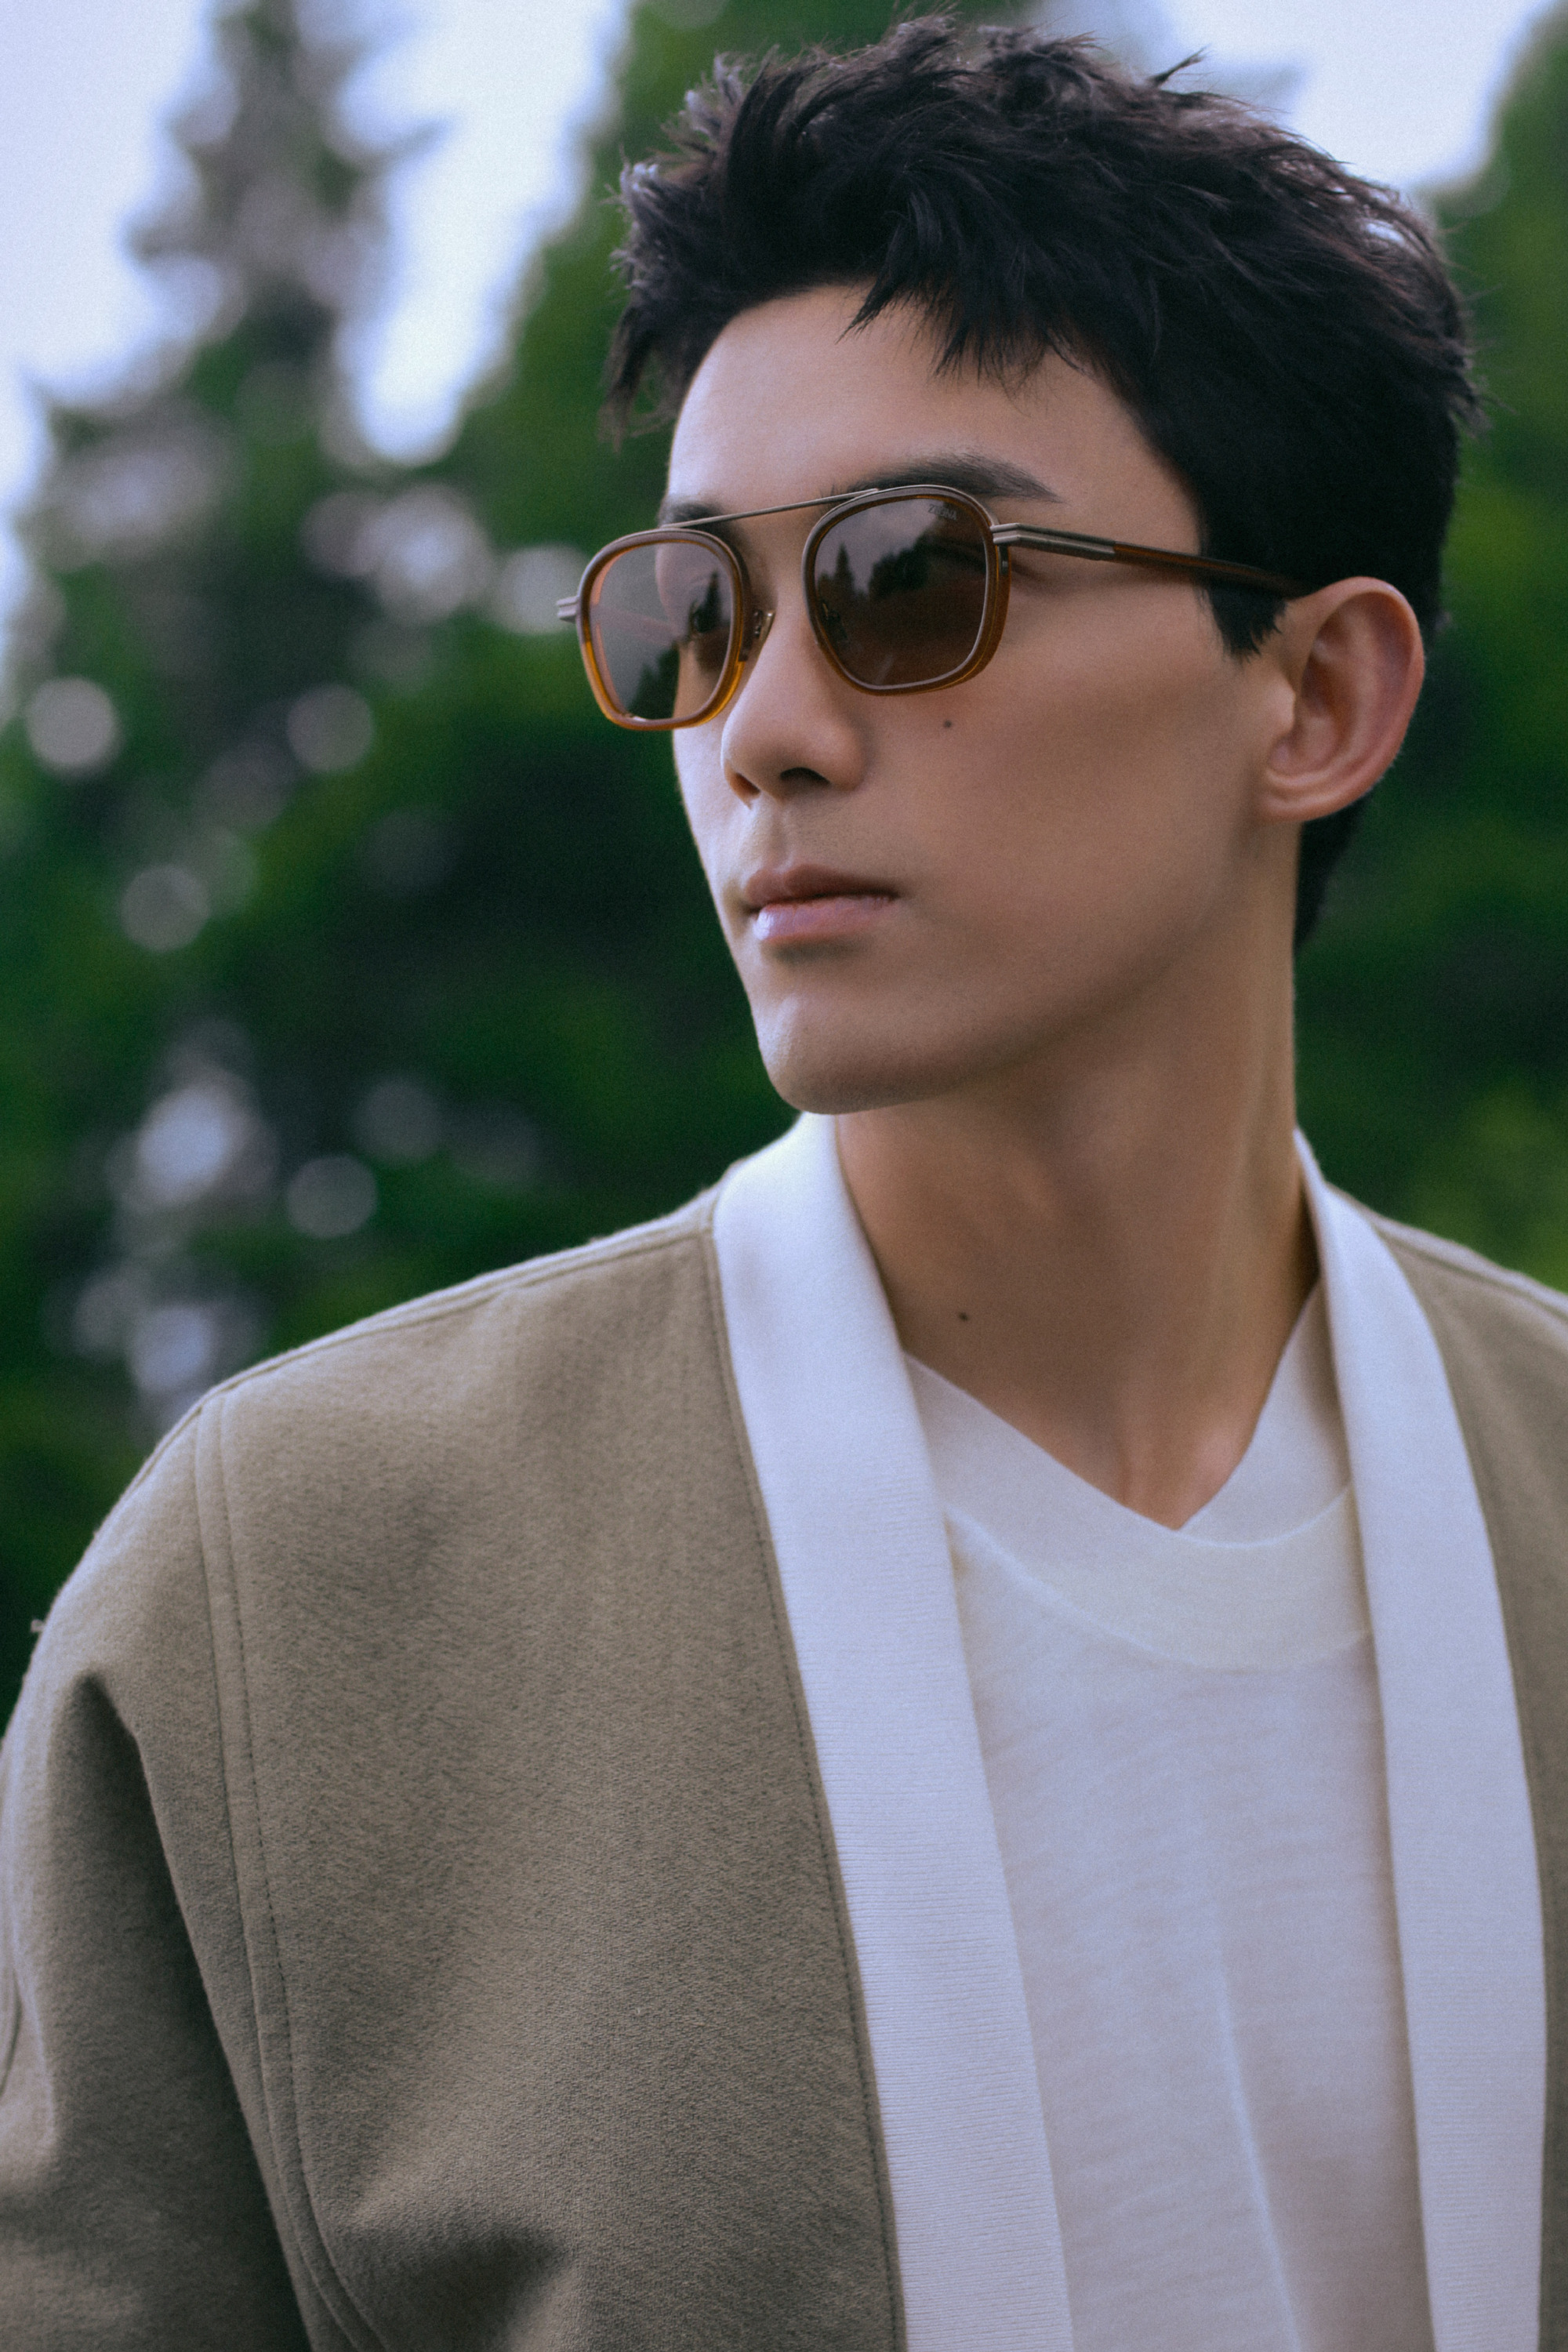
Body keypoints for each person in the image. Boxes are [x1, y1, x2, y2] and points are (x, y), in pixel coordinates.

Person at [2, 18, 1562, 2350]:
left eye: (912, 579)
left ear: (1316, 696)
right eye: (693, 611)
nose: (765, 729)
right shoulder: (295, 1597)